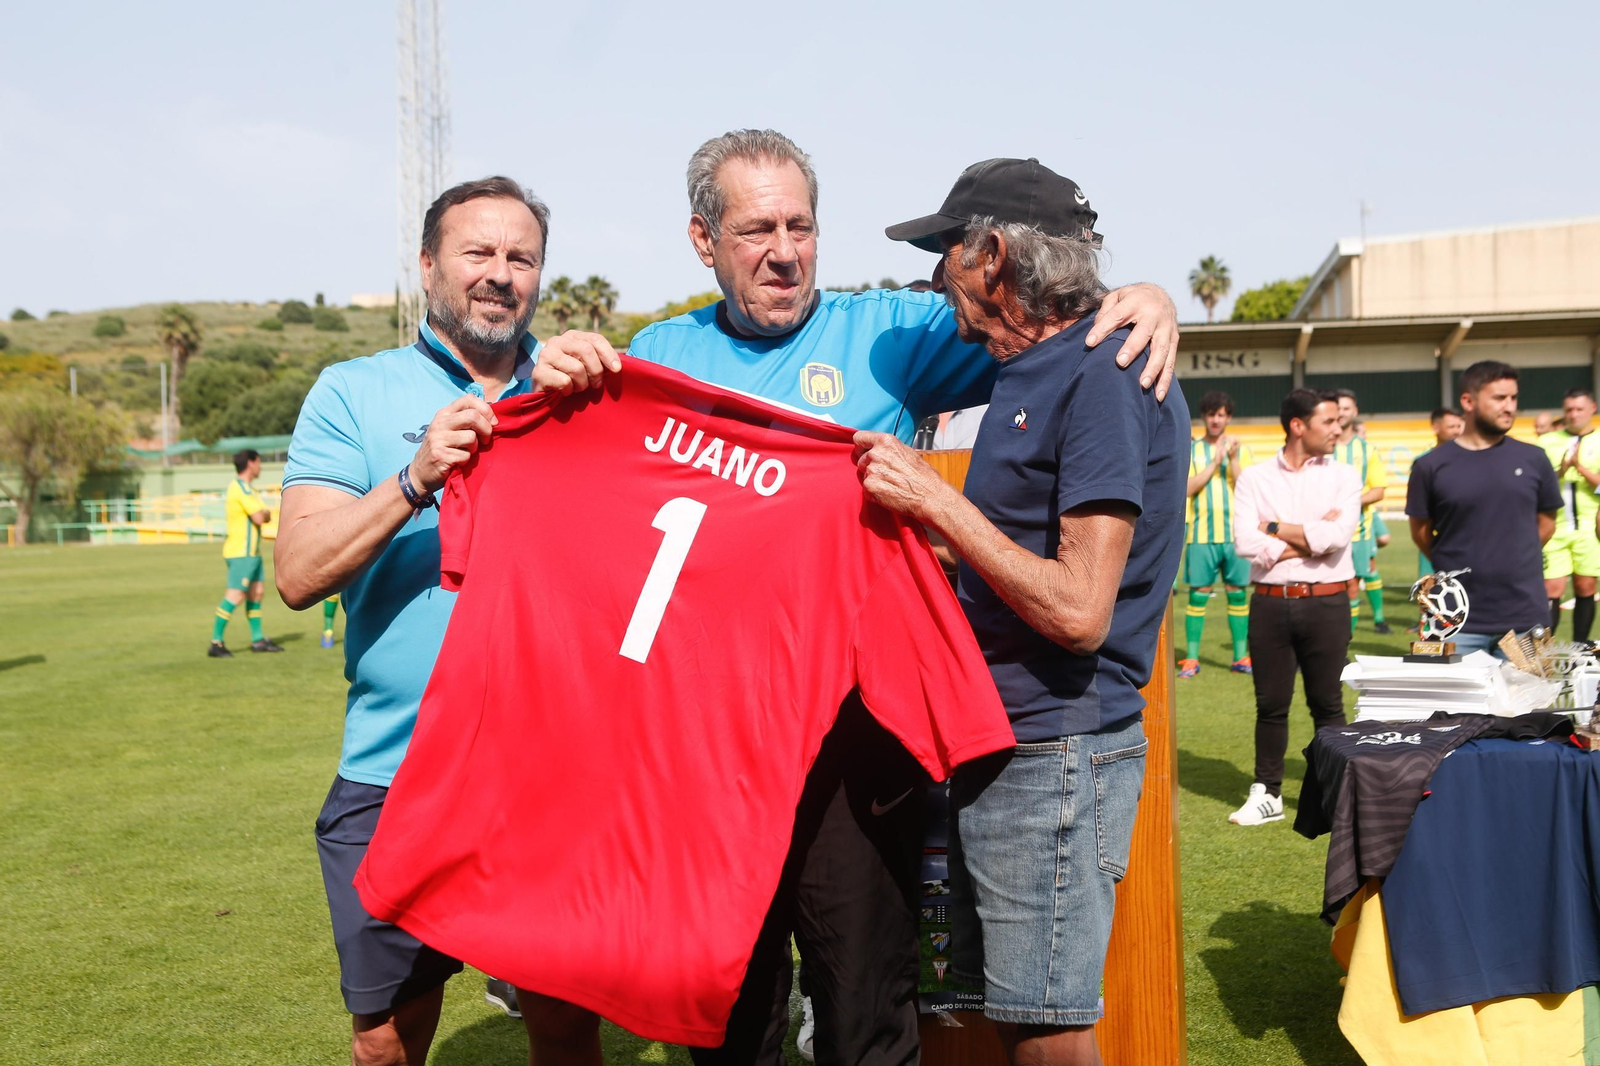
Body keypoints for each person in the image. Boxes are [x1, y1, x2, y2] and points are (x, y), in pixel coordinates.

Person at [532, 133, 1181, 1066]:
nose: (785, 250)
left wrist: (1148, 300)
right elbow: (576, 493)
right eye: (757, 229)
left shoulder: (893, 333)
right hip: (710, 736)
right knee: (727, 1000)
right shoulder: (657, 356)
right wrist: (558, 374)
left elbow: (1052, 322)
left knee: (867, 995)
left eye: (801, 225)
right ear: (702, 239)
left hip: (857, 726)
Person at [274, 176, 619, 1066]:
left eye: (521, 257)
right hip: (396, 770)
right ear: (428, 267)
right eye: (478, 252)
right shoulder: (353, 392)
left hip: (548, 772)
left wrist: (601, 398)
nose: (500, 274)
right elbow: (299, 574)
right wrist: (414, 477)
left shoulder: (580, 393)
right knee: (386, 1035)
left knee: (564, 1020)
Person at [853, 155, 1185, 1066]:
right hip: (1011, 737)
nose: (933, 283)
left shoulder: (1101, 372)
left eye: (942, 256)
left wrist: (938, 505)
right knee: (1013, 1011)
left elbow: (1081, 609)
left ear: (993, 254)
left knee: (1048, 1026)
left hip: (1057, 747)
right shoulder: (1033, 368)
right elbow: (1028, 559)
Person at [1230, 390, 1362, 826]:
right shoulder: (1253, 478)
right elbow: (1246, 543)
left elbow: (1336, 539)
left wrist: (1274, 529)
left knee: (1327, 704)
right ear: (1298, 426)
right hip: (1269, 605)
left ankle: (1337, 790)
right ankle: (1267, 793)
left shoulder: (1344, 475)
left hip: (1327, 603)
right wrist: (1309, 534)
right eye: (1329, 422)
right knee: (1270, 705)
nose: (1337, 429)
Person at [1406, 361, 1560, 657]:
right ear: (1468, 401)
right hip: (1451, 620)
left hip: (1526, 618)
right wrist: (1459, 562)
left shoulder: (1535, 459)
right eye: (1499, 398)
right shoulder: (1430, 466)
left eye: (1513, 398)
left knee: (1531, 703)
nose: (1510, 406)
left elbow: (1546, 524)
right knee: (1453, 705)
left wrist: (1512, 555)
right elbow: (1421, 533)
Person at [1180, 390, 1255, 678]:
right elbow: (1185, 489)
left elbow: (1247, 489)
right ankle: (1191, 659)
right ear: (1205, 416)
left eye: (1221, 414)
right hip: (1201, 536)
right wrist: (1214, 463)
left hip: (1236, 536)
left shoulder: (1242, 450)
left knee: (1238, 595)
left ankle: (1240, 657)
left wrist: (1232, 460)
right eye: (1211, 414)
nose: (1216, 419)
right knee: (1198, 596)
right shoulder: (1192, 450)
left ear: (1228, 417)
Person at [1538, 389, 1600, 639]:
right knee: (1551, 589)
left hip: (1589, 526)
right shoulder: (1547, 442)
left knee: (1585, 586)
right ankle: (1546, 653)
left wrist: (1581, 469)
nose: (1574, 415)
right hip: (1555, 525)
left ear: (1592, 408)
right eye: (1569, 410)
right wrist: (1561, 470)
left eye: (1579, 409)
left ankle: (1580, 649)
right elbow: (1538, 485)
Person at [209, 449, 283, 657]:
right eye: (259, 462)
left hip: (253, 552)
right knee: (236, 594)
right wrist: (263, 514)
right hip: (241, 552)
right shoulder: (238, 488)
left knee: (257, 592)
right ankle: (216, 642)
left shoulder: (250, 489)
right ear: (251, 463)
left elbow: (262, 514)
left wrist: (263, 514)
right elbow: (260, 517)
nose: (261, 467)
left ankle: (258, 640)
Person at [1331, 389, 1392, 634]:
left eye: (1347, 408)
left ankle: (1343, 643)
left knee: (1352, 586)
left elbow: (1378, 490)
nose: (1342, 413)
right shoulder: (1322, 447)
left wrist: (1350, 502)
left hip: (1359, 530)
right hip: (1322, 529)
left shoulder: (1367, 450)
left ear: (1354, 412)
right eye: (1338, 408)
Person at [1415, 407, 1464, 579]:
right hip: (1435, 538)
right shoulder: (1424, 464)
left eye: (1459, 426)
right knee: (1429, 591)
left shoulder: (1472, 459)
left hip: (1464, 539)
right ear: (1436, 428)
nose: (1457, 431)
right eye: (1452, 427)